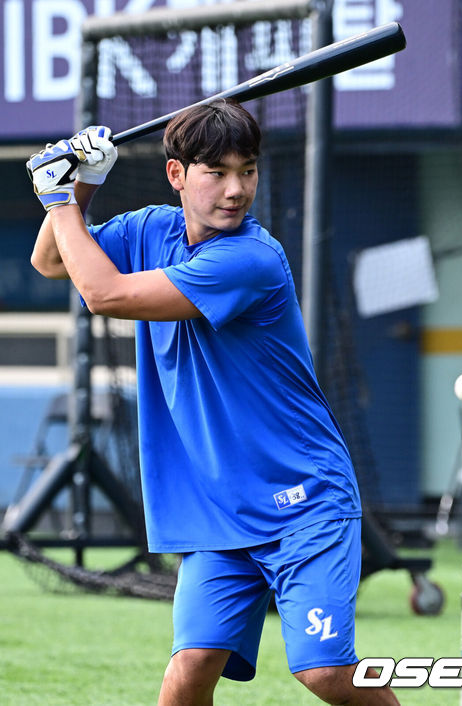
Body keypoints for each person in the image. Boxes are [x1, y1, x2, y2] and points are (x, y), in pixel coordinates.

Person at [28, 100, 400, 706]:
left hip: (303, 500)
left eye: (247, 171)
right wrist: (83, 183)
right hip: (220, 511)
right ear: (177, 174)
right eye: (217, 172)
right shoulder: (150, 230)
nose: (236, 190)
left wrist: (59, 197)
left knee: (326, 674)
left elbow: (104, 294)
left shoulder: (249, 259)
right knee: (189, 671)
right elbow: (51, 261)